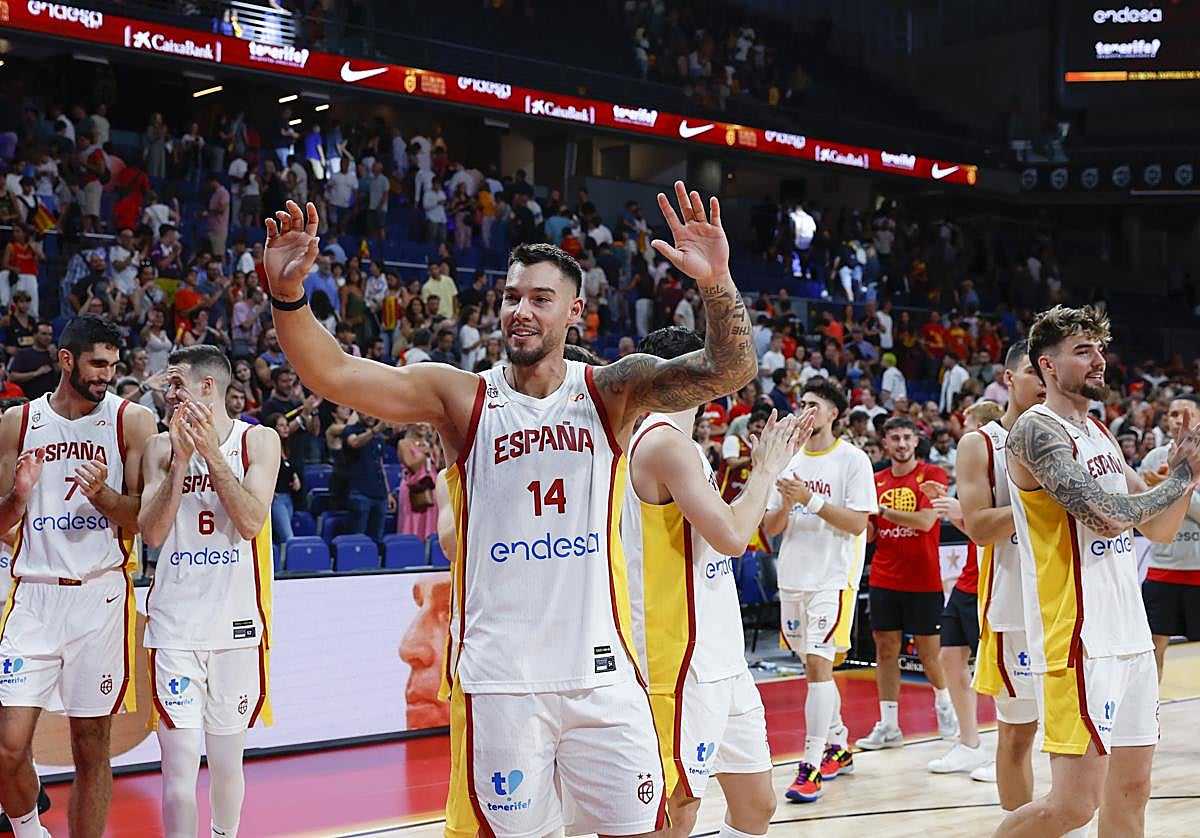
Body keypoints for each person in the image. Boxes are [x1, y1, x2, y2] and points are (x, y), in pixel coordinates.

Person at [261, 180, 757, 838]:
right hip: (503, 683)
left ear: (574, 311)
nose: (521, 311)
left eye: (540, 299)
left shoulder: (611, 392)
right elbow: (336, 373)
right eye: (512, 297)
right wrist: (287, 295)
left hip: (602, 675)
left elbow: (730, 369)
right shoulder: (459, 398)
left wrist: (717, 281)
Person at [998, 305, 1200, 838]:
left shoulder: (1100, 433)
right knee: (1072, 806)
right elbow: (1107, 517)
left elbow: (1156, 530)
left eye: (1100, 349)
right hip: (1077, 638)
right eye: (1082, 351)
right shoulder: (1034, 431)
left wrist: (1189, 469)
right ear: (1046, 364)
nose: (1098, 361)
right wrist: (1180, 479)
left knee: (1131, 795)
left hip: (1129, 632)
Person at [619, 326, 812, 838]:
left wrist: (764, 474)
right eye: (711, 365)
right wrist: (766, 470)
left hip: (722, 656)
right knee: (677, 810)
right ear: (685, 375)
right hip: (677, 659)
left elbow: (727, 529)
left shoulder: (686, 446)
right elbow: (730, 536)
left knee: (757, 805)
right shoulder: (659, 441)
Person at [0, 314, 157, 838]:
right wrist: (18, 497)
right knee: (7, 745)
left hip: (100, 598)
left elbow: (147, 519)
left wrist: (106, 498)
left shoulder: (132, 422)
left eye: (112, 365)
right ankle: (29, 831)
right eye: (96, 364)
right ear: (66, 359)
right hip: (35, 595)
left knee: (91, 745)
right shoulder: (16, 425)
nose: (105, 375)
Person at [138, 346, 279, 838]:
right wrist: (179, 462)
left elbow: (249, 522)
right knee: (177, 772)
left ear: (206, 388)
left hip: (235, 631)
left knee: (225, 763)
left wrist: (211, 456)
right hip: (174, 630)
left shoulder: (258, 442)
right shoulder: (158, 448)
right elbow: (151, 535)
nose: (167, 392)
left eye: (176, 383)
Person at [930, 342, 1055, 820]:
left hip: (1074, 604)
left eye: (1050, 371)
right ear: (1009, 377)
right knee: (1018, 732)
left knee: (1083, 735)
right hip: (1014, 607)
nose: (1043, 382)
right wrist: (1045, 492)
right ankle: (1021, 829)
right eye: (1032, 371)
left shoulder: (1077, 436)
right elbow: (979, 529)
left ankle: (1072, 822)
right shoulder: (980, 443)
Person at [763, 379, 877, 803]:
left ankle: (809, 766)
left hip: (833, 577)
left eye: (813, 404)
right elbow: (771, 527)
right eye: (802, 403)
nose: (805, 410)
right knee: (810, 665)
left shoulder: (853, 460)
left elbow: (858, 523)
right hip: (792, 576)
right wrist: (781, 497)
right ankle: (838, 743)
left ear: (833, 413)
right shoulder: (789, 460)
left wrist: (808, 499)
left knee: (817, 665)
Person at [856, 416, 958, 750]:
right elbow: (869, 531)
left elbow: (927, 521)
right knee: (885, 651)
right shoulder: (874, 480)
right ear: (885, 443)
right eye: (894, 438)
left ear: (915, 442)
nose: (901, 444)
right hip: (885, 576)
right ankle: (888, 726)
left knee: (930, 655)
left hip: (924, 579)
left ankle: (945, 707)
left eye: (906, 438)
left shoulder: (933, 475)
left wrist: (881, 511)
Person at [923, 399, 1004, 777]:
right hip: (966, 583)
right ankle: (970, 744)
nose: (962, 429)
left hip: (993, 582)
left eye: (968, 423)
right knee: (950, 659)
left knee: (1001, 673)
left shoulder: (998, 473)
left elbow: (989, 534)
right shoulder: (970, 474)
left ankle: (1006, 753)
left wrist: (960, 514)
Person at [1139, 393, 1200, 681]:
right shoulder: (1153, 457)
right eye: (1173, 414)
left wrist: (1171, 485)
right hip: (1163, 570)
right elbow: (1142, 511)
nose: (1178, 420)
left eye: (1185, 413)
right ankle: (1150, 713)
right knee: (1152, 646)